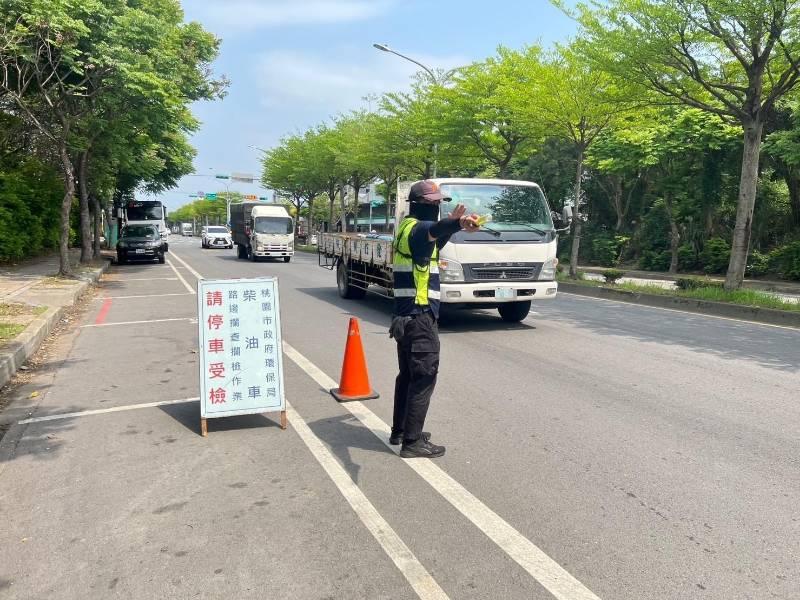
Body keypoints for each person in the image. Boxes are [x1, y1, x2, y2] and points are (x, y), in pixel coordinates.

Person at [389, 180, 479, 458]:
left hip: (406, 317)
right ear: (418, 205)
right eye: (432, 203)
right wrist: (455, 223)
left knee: (408, 376)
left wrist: (454, 226)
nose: (437, 207)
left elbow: (435, 237)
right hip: (419, 316)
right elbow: (433, 230)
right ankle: (413, 443)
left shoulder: (406, 228)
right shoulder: (417, 229)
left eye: (440, 203)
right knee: (424, 377)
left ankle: (401, 430)